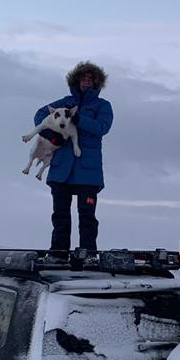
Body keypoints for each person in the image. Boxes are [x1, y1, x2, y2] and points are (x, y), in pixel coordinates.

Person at [34, 61, 113, 253]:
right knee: (60, 215)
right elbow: (40, 116)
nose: (86, 82)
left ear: (96, 83)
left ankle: (87, 254)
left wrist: (79, 119)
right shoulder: (64, 103)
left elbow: (102, 128)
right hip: (61, 169)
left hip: (88, 172)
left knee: (87, 216)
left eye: (90, 79)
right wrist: (50, 135)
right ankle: (58, 254)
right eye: (83, 78)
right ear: (76, 81)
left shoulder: (103, 106)